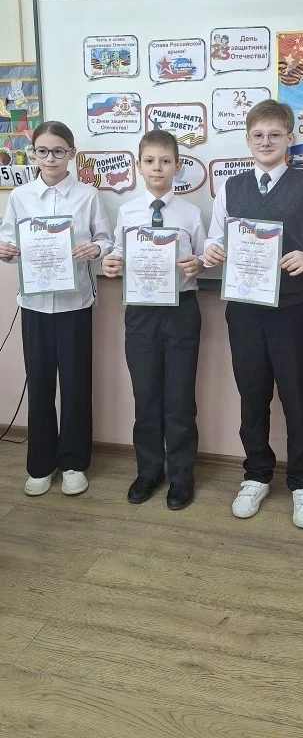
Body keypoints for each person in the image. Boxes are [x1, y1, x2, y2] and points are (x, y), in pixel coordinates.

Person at [203, 99, 303, 528]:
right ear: (248, 140)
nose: (266, 142)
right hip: (244, 310)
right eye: (258, 135)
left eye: (275, 135)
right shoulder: (231, 187)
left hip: (292, 310)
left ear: (289, 139)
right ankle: (256, 474)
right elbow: (213, 241)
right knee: (252, 394)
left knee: (297, 397)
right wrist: (212, 252)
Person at [0, 120, 112, 497]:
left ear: (71, 154)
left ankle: (74, 463)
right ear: (33, 154)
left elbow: (106, 240)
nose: (50, 158)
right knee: (40, 384)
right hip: (34, 304)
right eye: (43, 151)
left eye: (59, 151)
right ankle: (40, 465)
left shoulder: (87, 196)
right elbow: (8, 240)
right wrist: (5, 250)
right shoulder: (20, 197)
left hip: (75, 303)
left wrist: (96, 249)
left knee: (77, 384)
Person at [101, 130, 205, 510]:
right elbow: (117, 251)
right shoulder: (127, 212)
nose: (157, 168)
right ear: (138, 166)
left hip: (181, 310)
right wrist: (111, 262)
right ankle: (148, 471)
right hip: (141, 312)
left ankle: (181, 475)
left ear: (177, 166)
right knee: (145, 396)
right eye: (149, 161)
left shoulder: (191, 214)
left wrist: (199, 264)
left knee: (179, 399)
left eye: (165, 161)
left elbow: (206, 257)